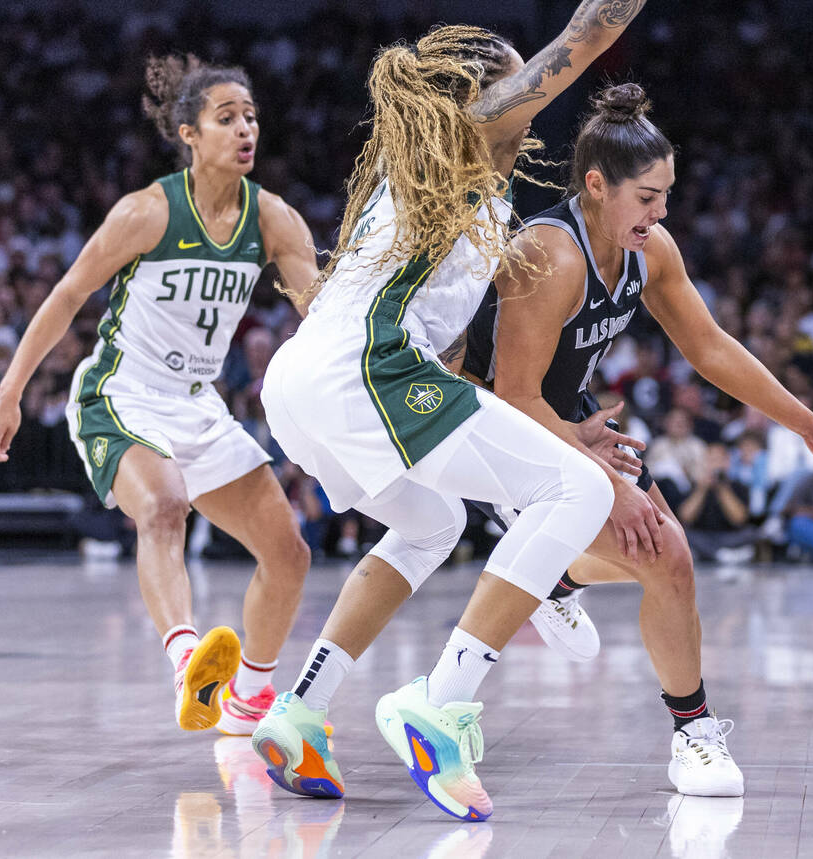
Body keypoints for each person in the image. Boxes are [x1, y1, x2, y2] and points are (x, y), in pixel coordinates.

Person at [252, 4, 650, 822]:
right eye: (515, 76)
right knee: (578, 493)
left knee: (433, 520)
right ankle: (441, 702)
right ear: (476, 93)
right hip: (358, 371)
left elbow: (452, 363)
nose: (528, 94)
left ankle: (299, 712)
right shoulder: (458, 141)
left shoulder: (483, 200)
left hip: (322, 379)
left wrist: (552, 436)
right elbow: (585, 41)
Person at [459, 83, 813, 797]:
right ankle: (692, 733)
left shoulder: (650, 249)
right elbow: (511, 394)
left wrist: (811, 426)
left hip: (565, 416)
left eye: (667, 195)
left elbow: (709, 346)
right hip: (488, 423)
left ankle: (558, 578)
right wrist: (603, 477)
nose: (661, 211)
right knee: (664, 549)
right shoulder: (549, 254)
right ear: (597, 185)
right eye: (647, 197)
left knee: (669, 559)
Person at [0, 56, 315, 735]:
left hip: (197, 402)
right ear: (189, 133)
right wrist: (10, 390)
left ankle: (247, 699)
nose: (246, 129)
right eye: (227, 119)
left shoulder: (274, 220)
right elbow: (69, 294)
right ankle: (191, 663)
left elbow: (325, 320)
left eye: (251, 117)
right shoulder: (148, 211)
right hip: (121, 391)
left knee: (290, 554)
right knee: (163, 506)